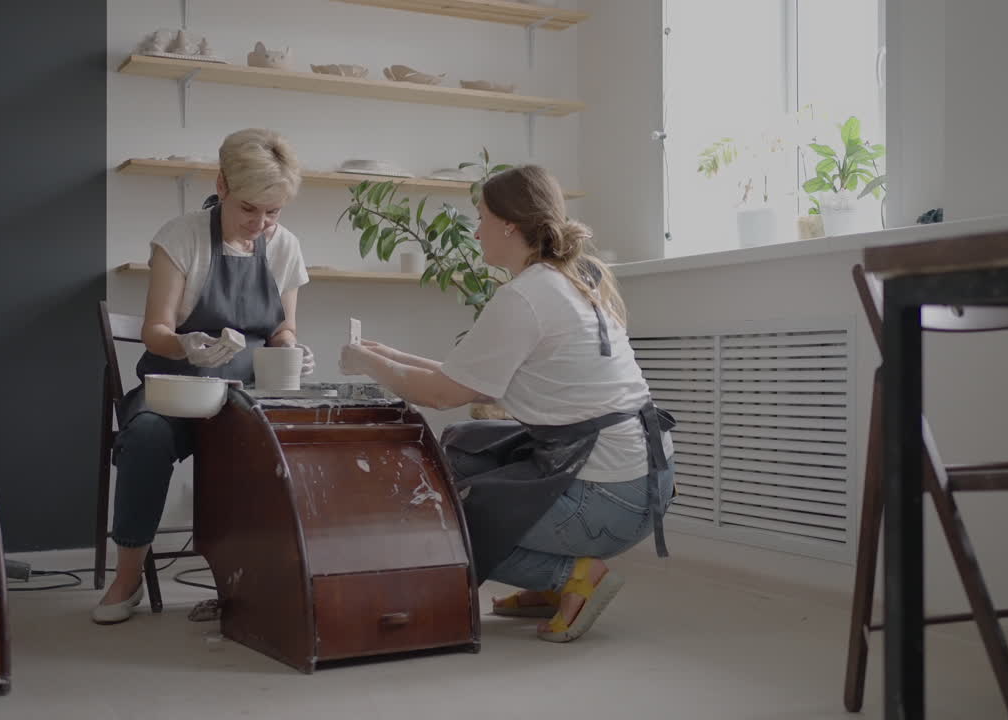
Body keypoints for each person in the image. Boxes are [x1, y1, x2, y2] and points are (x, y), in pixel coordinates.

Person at [338, 165, 676, 643]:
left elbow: (440, 395)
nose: (475, 232)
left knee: (445, 513)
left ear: (509, 225)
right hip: (643, 483)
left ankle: (571, 579)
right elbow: (466, 377)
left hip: (609, 501)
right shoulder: (567, 279)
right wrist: (388, 356)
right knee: (467, 448)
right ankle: (548, 582)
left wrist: (365, 364)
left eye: (481, 217)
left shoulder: (526, 296)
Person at [94, 128, 314, 624]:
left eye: (273, 212)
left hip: (247, 395)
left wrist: (292, 350)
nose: (260, 223)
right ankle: (126, 577)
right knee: (146, 433)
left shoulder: (285, 247)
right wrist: (187, 345)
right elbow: (155, 330)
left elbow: (283, 326)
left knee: (294, 440)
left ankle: (258, 577)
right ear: (222, 184)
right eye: (249, 209)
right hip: (177, 389)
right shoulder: (182, 236)